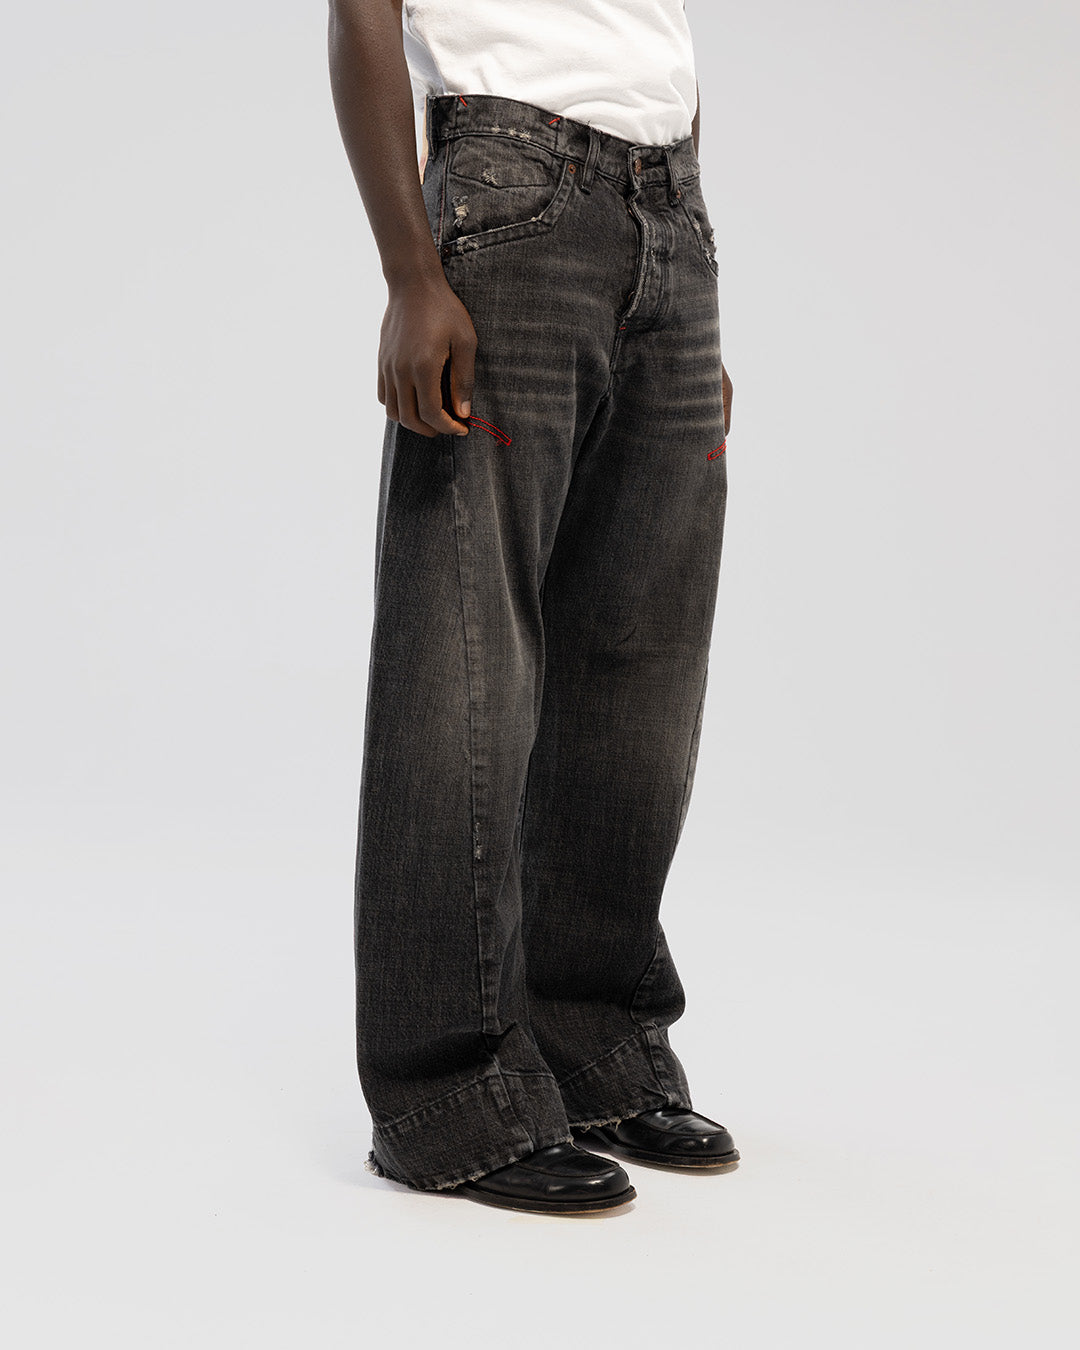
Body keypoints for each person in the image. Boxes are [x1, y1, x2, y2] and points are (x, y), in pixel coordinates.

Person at [328, 0, 738, 1215]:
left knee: (641, 657)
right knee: (463, 648)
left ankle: (594, 1045)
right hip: (512, 190)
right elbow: (360, 10)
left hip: (671, 210)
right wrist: (411, 273)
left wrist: (679, 277)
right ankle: (445, 1096)